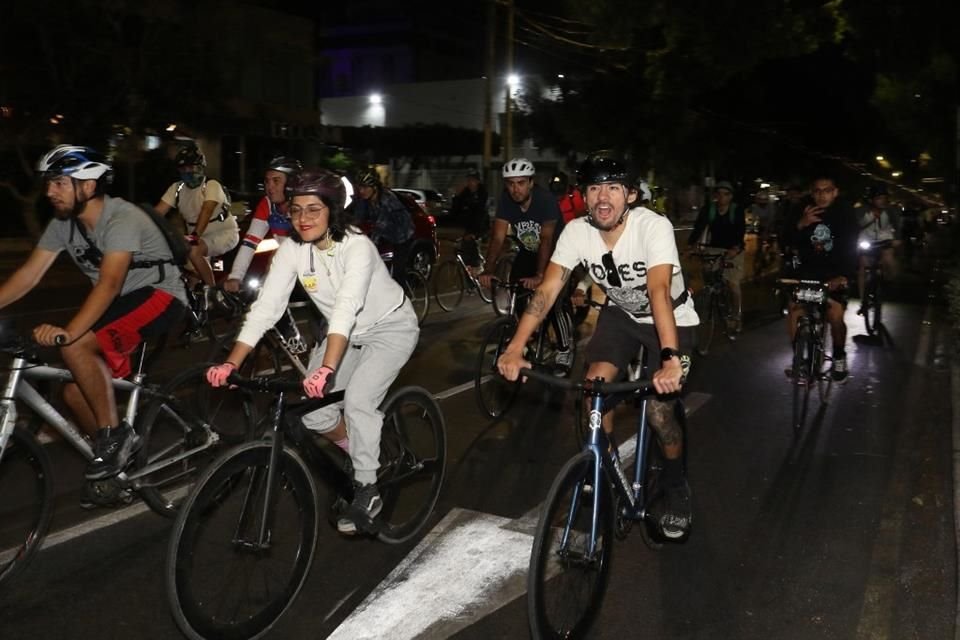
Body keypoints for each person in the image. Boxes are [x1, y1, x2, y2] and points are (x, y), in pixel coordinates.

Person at [205, 169, 419, 535]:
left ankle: (368, 489)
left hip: (389, 328)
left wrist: (326, 369)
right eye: (296, 210)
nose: (302, 219)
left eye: (313, 210)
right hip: (344, 334)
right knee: (313, 415)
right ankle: (363, 453)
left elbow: (345, 309)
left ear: (333, 211)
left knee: (359, 401)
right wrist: (231, 362)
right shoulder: (292, 250)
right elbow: (267, 309)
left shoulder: (357, 247)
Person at [497, 156, 698, 539]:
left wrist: (670, 358)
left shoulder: (653, 227)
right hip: (620, 317)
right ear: (584, 197)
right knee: (593, 390)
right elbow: (547, 291)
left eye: (613, 188)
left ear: (631, 195)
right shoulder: (575, 232)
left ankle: (675, 486)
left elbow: (657, 291)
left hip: (670, 319)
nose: (602, 197)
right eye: (593, 188)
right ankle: (599, 472)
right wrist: (515, 346)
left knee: (658, 413)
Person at [0, 145, 187, 479]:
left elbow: (110, 283)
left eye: (59, 183)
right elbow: (29, 275)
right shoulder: (63, 224)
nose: (49, 192)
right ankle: (116, 465)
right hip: (121, 303)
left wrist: (70, 333)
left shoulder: (122, 217)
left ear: (87, 186)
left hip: (160, 296)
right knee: (75, 392)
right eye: (48, 183)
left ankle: (116, 439)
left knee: (75, 346)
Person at [479, 158, 574, 376]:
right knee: (518, 294)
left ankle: (564, 350)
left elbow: (547, 240)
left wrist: (541, 275)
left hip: (557, 254)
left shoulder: (545, 200)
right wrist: (489, 268)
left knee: (551, 300)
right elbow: (497, 237)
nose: (515, 189)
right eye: (510, 184)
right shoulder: (506, 201)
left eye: (521, 183)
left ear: (531, 183)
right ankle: (526, 340)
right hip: (529, 251)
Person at [783, 175, 858, 382]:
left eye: (827, 190)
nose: (822, 195)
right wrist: (800, 224)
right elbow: (785, 239)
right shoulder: (801, 208)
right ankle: (800, 359)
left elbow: (851, 246)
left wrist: (844, 275)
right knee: (794, 309)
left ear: (835, 192)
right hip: (806, 273)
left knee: (834, 315)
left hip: (835, 274)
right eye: (817, 191)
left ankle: (839, 355)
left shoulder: (845, 212)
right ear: (811, 192)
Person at [154, 146, 240, 293]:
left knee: (194, 251)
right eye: (183, 168)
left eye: (191, 167)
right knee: (183, 271)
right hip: (197, 238)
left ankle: (213, 293)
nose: (188, 172)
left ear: (201, 167)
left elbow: (206, 211)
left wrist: (194, 237)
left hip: (224, 233)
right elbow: (157, 214)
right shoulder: (177, 189)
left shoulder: (211, 185)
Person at [223, 156, 302, 293]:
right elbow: (249, 243)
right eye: (267, 181)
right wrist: (235, 276)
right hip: (287, 257)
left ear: (292, 184)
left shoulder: (303, 205)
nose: (269, 187)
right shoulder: (267, 204)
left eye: (276, 181)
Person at [687, 181, 746, 333]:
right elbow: (698, 228)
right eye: (718, 193)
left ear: (731, 196)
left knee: (733, 284)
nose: (721, 197)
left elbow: (740, 231)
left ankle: (736, 316)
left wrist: (735, 248)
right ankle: (712, 296)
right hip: (713, 248)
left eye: (725, 194)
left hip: (733, 250)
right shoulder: (709, 209)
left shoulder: (736, 210)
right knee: (707, 272)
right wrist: (690, 246)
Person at [351, 167, 415, 289]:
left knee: (398, 270)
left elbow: (380, 226)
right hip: (387, 232)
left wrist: (369, 245)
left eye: (365, 187)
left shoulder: (387, 200)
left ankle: (402, 298)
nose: (361, 191)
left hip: (403, 234)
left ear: (374, 187)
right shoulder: (364, 200)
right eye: (360, 187)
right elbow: (357, 219)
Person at [856, 184, 900, 310]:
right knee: (862, 268)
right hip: (867, 241)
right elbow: (856, 225)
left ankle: (889, 281)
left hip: (885, 240)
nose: (882, 200)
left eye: (884, 198)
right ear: (871, 199)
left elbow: (897, 225)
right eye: (879, 198)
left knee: (889, 260)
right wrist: (870, 218)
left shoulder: (891, 210)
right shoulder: (861, 210)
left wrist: (897, 238)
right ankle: (863, 301)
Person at [450, 167, 489, 268]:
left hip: (479, 226)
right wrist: (457, 196)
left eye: (473, 180)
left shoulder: (482, 193)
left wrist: (473, 233)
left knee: (469, 251)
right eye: (469, 180)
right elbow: (455, 211)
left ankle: (477, 267)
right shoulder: (465, 192)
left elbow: (481, 214)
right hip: (466, 228)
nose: (471, 183)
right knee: (460, 249)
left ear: (478, 181)